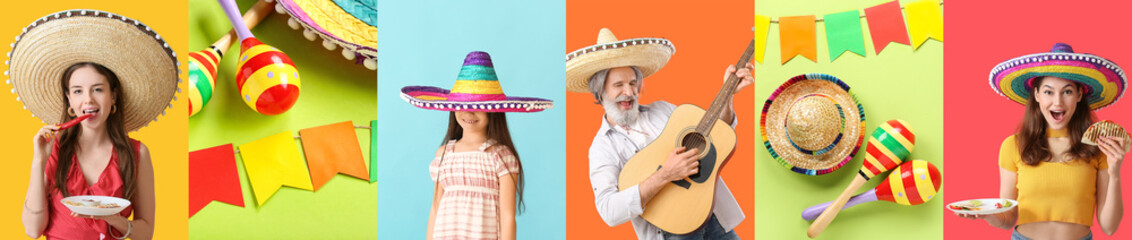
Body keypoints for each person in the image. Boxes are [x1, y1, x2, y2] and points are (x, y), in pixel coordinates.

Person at [566, 28, 751, 240]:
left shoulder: (664, 110)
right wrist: (666, 174)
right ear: (600, 92)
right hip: (671, 233)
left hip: (713, 216)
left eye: (633, 83)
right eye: (618, 85)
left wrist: (727, 95)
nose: (629, 92)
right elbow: (609, 211)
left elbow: (715, 136)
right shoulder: (602, 147)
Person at [13, 10, 178, 240]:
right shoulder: (53, 149)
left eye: (98, 89)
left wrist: (113, 219)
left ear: (113, 97)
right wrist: (39, 160)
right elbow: (32, 231)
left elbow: (146, 234)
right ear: (70, 100)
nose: (88, 100)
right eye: (78, 91)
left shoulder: (138, 153)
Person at [958, 43, 1126, 240]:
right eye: (1048, 92)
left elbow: (1109, 227)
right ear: (1036, 95)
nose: (1058, 102)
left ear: (1079, 95)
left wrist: (1115, 173)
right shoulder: (1013, 146)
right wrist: (986, 214)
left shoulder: (1098, 148)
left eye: (1067, 92)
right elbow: (1008, 218)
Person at [402, 51, 553, 240]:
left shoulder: (501, 157)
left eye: (478, 107)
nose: (469, 113)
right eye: (463, 106)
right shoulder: (443, 154)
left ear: (493, 112)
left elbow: (507, 217)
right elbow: (435, 206)